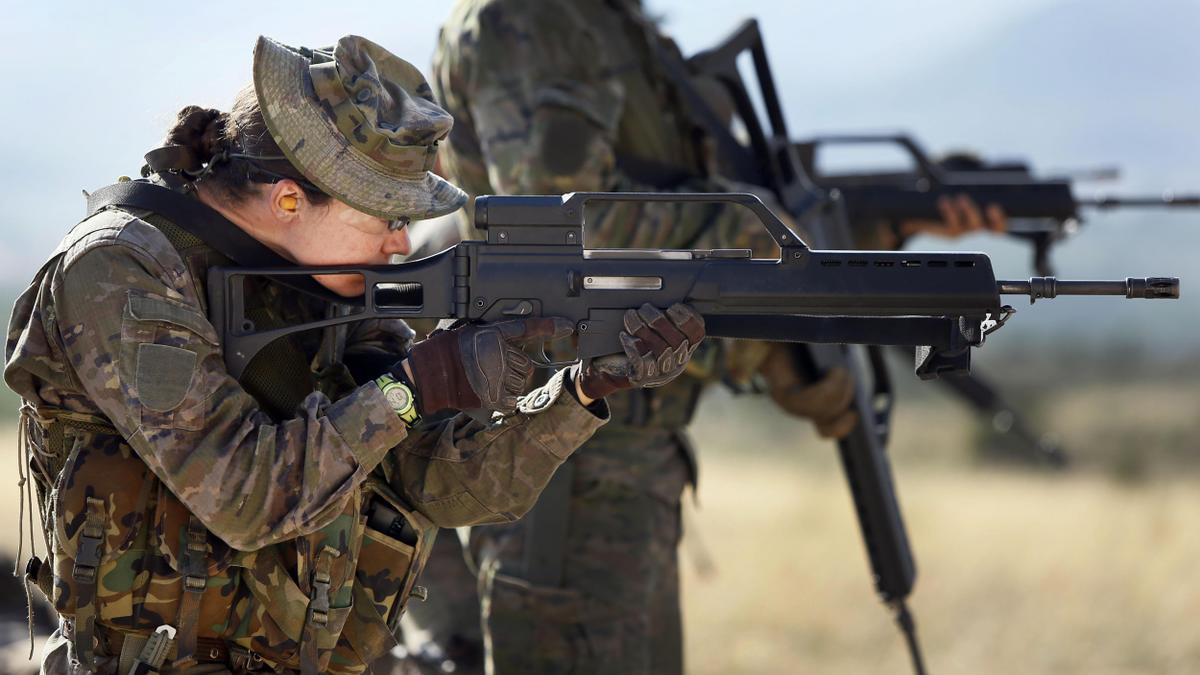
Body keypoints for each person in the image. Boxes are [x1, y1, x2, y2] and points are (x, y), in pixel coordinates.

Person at [3, 33, 705, 675]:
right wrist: (412, 387)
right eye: (387, 217)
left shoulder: (323, 286)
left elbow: (434, 483)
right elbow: (243, 497)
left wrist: (579, 392)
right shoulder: (121, 269)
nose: (401, 244)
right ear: (286, 200)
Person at [414, 1, 1008, 673]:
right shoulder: (535, 18)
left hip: (625, 459)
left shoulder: (612, 22)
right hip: (562, 465)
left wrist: (876, 233)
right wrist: (757, 253)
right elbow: (574, 236)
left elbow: (685, 213)